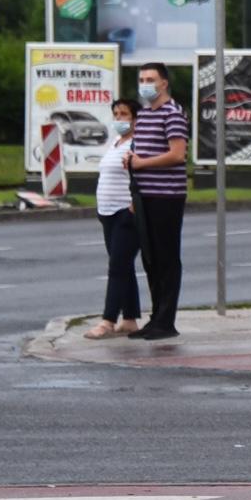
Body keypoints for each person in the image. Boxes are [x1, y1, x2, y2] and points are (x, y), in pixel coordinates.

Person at [124, 62, 189, 340]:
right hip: (144, 194)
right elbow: (139, 153)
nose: (145, 84)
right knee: (150, 258)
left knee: (166, 257)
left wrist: (142, 164)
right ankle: (155, 317)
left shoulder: (172, 114)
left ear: (164, 83)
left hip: (167, 195)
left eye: (150, 79)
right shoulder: (144, 115)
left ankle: (166, 320)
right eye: (141, 79)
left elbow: (177, 154)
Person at [86, 98, 143, 339]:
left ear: (135, 119)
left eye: (125, 114)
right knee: (124, 265)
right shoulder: (116, 142)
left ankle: (108, 320)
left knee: (117, 267)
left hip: (125, 213)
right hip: (108, 212)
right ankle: (129, 319)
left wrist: (135, 202)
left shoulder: (139, 144)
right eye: (116, 114)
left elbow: (145, 173)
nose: (120, 119)